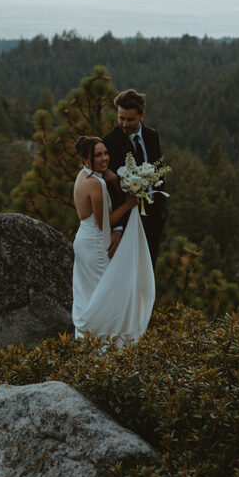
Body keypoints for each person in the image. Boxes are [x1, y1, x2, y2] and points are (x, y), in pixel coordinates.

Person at [71, 136, 155, 342]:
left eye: (105, 153)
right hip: (96, 246)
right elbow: (103, 225)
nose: (104, 158)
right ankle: (105, 348)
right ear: (85, 159)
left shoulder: (83, 176)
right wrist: (128, 204)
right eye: (97, 155)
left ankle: (89, 344)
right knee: (106, 296)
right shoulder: (96, 184)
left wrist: (114, 180)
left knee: (91, 296)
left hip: (84, 240)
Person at [103, 88, 167, 267]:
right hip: (127, 217)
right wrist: (117, 227)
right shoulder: (110, 141)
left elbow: (158, 169)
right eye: (120, 118)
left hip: (153, 217)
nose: (124, 124)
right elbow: (109, 190)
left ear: (142, 115)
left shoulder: (152, 136)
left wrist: (161, 211)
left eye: (129, 119)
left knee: (149, 268)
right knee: (128, 270)